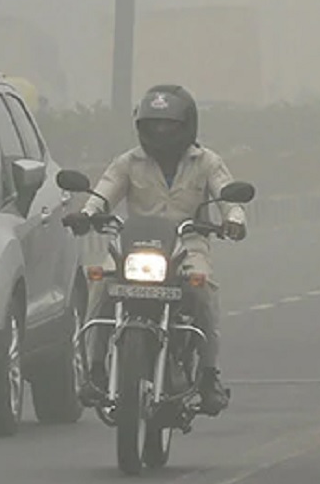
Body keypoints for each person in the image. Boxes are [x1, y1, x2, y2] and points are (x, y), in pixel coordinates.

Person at [76, 85, 247, 415]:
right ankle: (94, 368)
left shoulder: (207, 161)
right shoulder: (128, 162)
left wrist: (234, 220)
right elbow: (103, 193)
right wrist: (86, 215)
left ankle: (209, 374)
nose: (161, 132)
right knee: (100, 281)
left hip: (188, 242)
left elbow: (229, 197)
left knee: (204, 288)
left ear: (186, 126)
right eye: (154, 125)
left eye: (169, 126)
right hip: (133, 243)